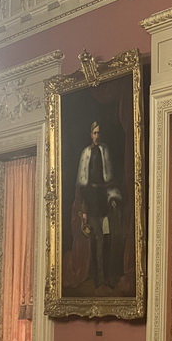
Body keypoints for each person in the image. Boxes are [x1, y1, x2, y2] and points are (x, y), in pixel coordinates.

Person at [72, 120, 123, 288]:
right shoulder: (86, 153)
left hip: (103, 198)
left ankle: (107, 277)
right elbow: (82, 184)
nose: (97, 136)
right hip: (91, 199)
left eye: (99, 133)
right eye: (94, 133)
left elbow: (110, 179)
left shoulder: (105, 150)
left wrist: (112, 199)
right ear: (90, 134)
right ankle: (97, 278)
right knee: (96, 239)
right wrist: (84, 209)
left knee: (107, 239)